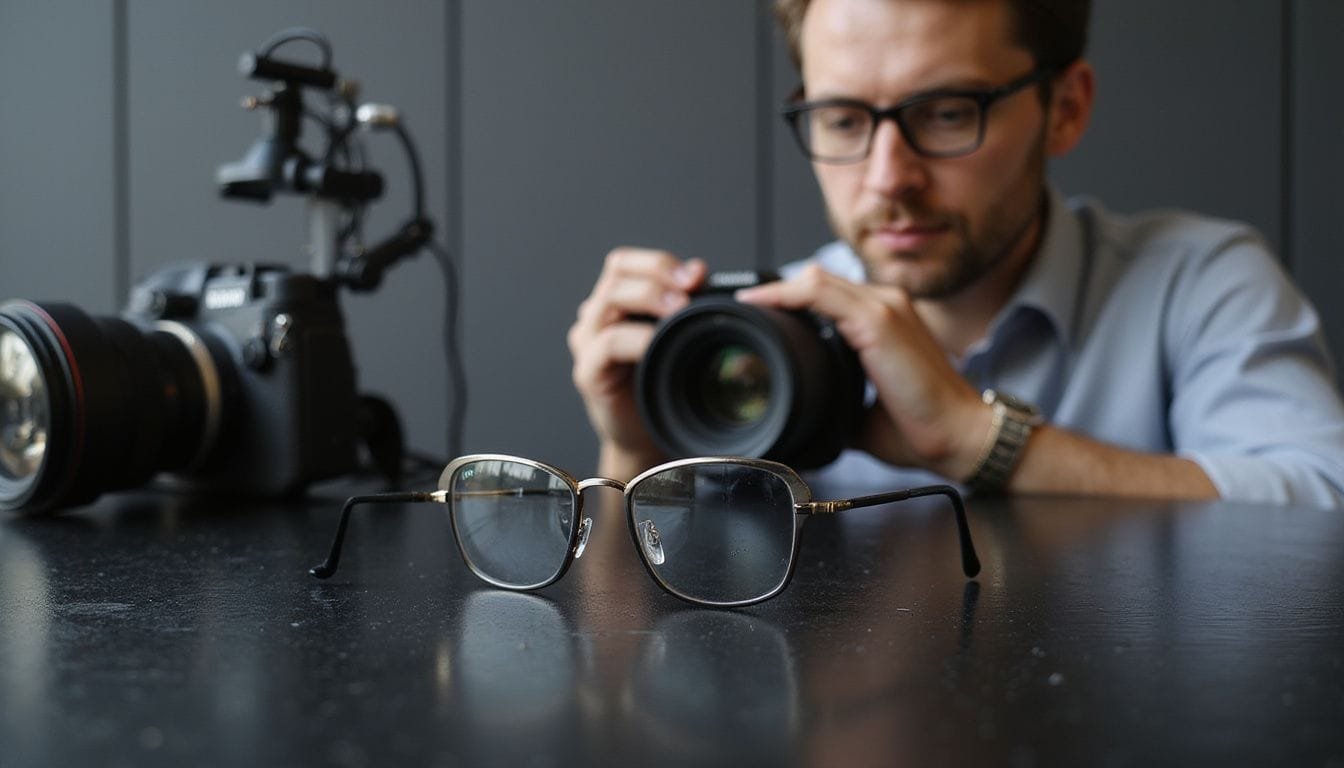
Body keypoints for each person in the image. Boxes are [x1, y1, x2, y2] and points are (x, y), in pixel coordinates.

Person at [567, 0, 1344, 507]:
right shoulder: (763, 345)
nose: (887, 179)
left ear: (1064, 109)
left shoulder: (1197, 281)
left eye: (945, 113)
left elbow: (1321, 499)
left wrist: (976, 439)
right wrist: (633, 451)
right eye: (842, 120)